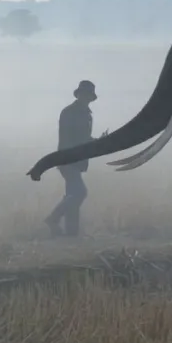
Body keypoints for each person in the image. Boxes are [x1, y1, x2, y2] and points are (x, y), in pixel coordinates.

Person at [45, 80, 106, 237]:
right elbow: (77, 136)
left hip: (77, 158)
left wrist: (97, 141)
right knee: (80, 193)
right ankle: (53, 218)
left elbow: (83, 137)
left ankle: (71, 234)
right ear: (79, 95)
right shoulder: (70, 112)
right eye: (84, 94)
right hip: (68, 157)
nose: (86, 98)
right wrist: (97, 142)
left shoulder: (86, 113)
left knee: (73, 194)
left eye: (88, 95)